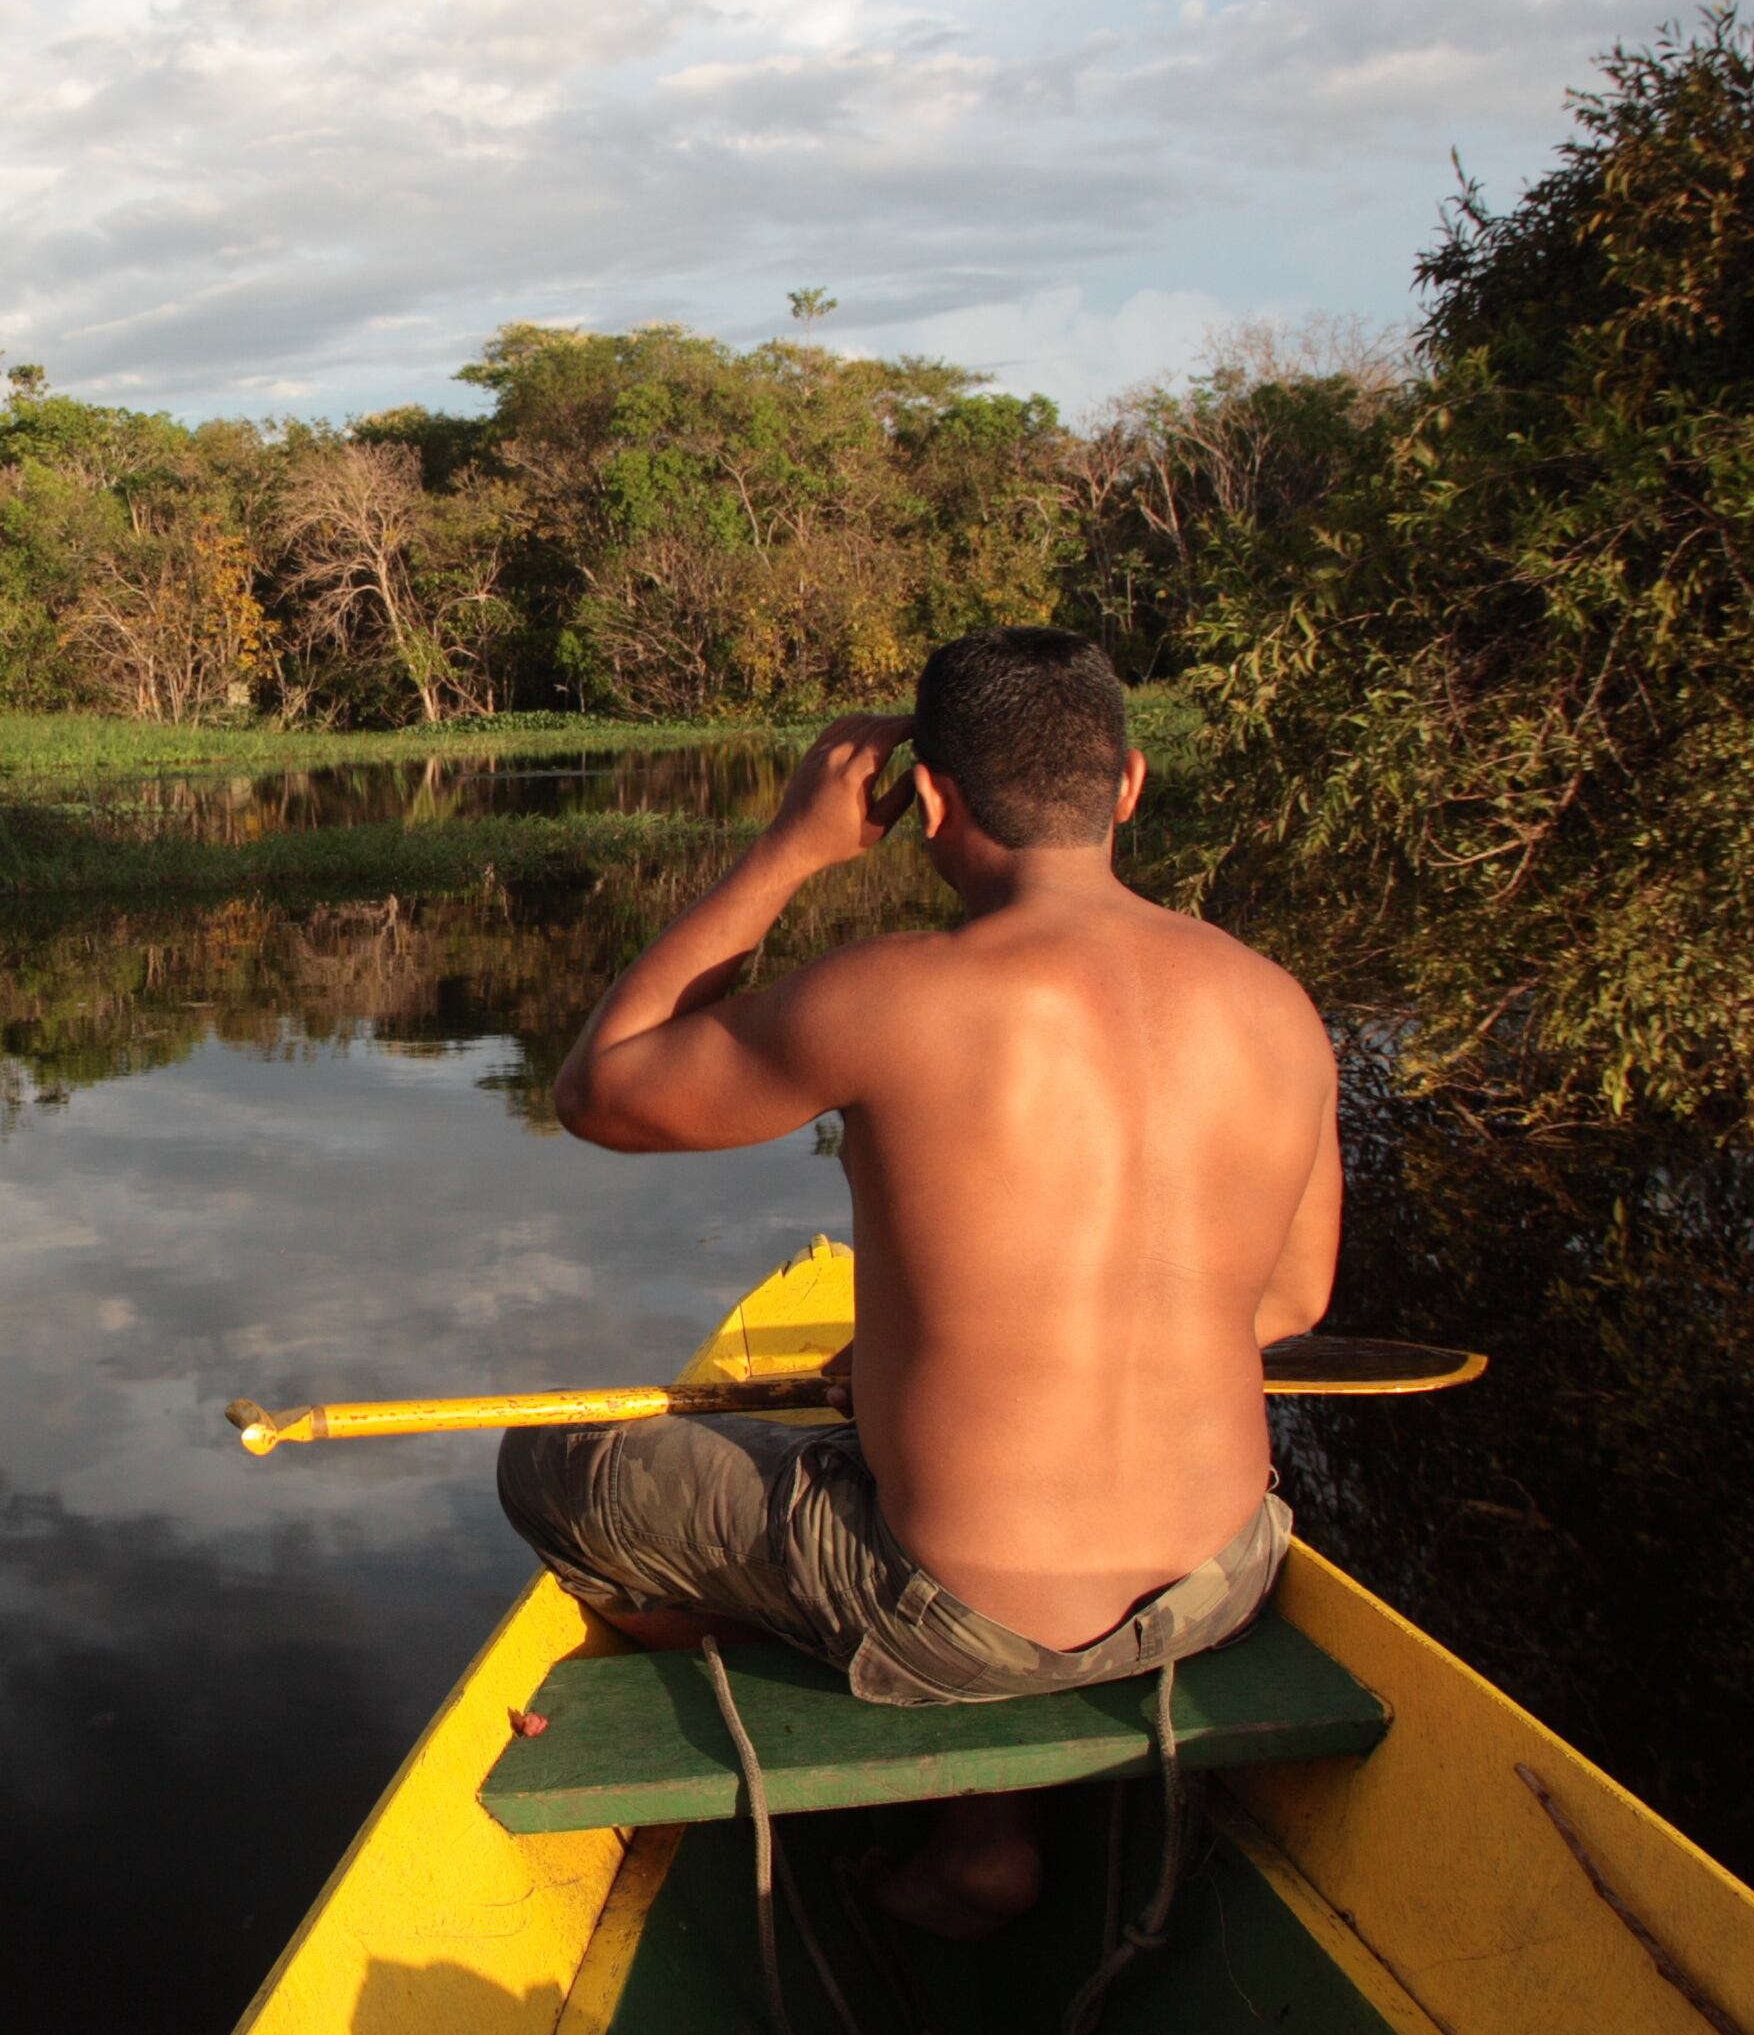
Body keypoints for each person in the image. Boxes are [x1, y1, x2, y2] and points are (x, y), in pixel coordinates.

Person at [508, 626, 1339, 1937]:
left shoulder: (900, 994)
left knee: (553, 1474)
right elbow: (1290, 1304)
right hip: (1214, 1588)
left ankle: (934, 1797)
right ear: (1127, 785)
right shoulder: (1276, 1006)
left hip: (959, 1621)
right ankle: (990, 1805)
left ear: (931, 802)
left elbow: (602, 1093)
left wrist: (789, 848)